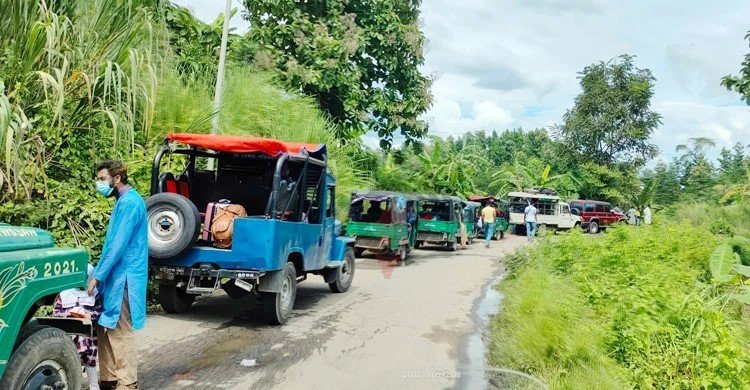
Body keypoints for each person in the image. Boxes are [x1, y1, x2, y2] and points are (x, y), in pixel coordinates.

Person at [88, 160, 148, 390]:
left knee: (121, 329)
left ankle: (127, 382)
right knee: (106, 326)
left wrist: (98, 276)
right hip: (114, 276)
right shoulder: (123, 202)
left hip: (124, 277)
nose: (99, 183)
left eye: (102, 179)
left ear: (117, 178)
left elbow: (118, 245)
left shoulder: (131, 203)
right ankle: (109, 377)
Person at [54, 264, 102, 390]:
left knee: (89, 357)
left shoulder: (93, 294)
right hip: (68, 331)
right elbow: (56, 313)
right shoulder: (64, 294)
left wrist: (88, 315)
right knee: (74, 350)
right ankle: (75, 382)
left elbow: (98, 312)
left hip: (87, 332)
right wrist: (69, 314)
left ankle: (93, 384)